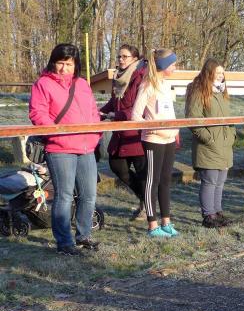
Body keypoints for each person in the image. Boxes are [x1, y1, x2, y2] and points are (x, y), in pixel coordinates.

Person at [29, 43, 102, 256]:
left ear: (76, 65)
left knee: (89, 194)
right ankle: (64, 242)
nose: (64, 68)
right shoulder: (43, 84)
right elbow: (38, 113)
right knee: (65, 195)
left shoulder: (82, 84)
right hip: (60, 148)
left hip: (86, 147)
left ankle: (83, 235)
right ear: (53, 62)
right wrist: (57, 133)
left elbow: (93, 111)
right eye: (60, 63)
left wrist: (95, 134)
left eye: (69, 64)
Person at [132, 48, 180, 238]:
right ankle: (153, 225)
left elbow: (169, 112)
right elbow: (136, 116)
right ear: (163, 65)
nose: (175, 67)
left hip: (169, 139)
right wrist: (153, 128)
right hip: (153, 140)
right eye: (173, 64)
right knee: (152, 181)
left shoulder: (166, 85)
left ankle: (166, 222)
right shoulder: (147, 85)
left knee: (166, 180)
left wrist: (175, 130)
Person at [185, 59, 236, 228]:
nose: (221, 76)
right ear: (209, 73)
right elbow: (193, 119)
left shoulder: (222, 92)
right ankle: (209, 215)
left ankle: (217, 212)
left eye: (222, 73)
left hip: (224, 145)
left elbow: (229, 118)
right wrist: (209, 138)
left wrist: (232, 135)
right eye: (217, 72)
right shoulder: (198, 91)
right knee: (210, 181)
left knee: (220, 181)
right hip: (208, 146)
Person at [99, 44, 148, 220]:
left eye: (124, 56)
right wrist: (99, 112)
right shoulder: (118, 77)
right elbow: (114, 102)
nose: (120, 59)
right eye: (119, 56)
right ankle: (145, 198)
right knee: (117, 166)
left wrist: (116, 115)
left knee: (142, 172)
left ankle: (147, 207)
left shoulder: (140, 77)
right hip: (120, 133)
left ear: (134, 59)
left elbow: (139, 107)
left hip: (137, 134)